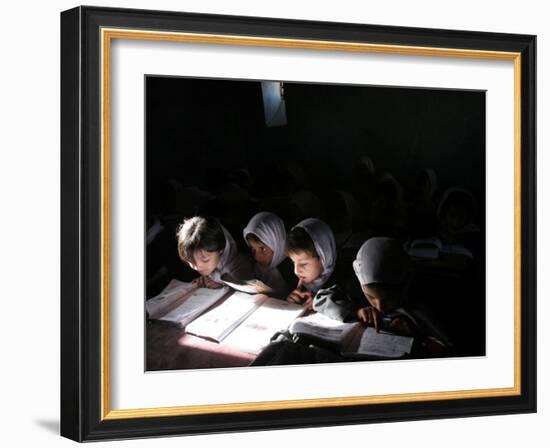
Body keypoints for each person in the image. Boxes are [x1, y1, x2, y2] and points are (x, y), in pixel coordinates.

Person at [353, 237, 451, 354]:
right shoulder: (354, 293)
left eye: (388, 298)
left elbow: (449, 349)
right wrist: (358, 312)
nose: (380, 307)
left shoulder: (427, 301)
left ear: (405, 285)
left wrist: (416, 336)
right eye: (371, 297)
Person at [176, 216, 252, 288]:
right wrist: (206, 278)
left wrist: (222, 283)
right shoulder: (205, 259)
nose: (198, 267)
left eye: (205, 260)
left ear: (220, 250)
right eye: (191, 261)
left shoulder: (242, 268)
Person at [285, 218, 337, 309]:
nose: (296, 271)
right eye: (293, 262)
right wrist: (291, 302)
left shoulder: (343, 285)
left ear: (324, 257)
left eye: (304, 264)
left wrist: (320, 303)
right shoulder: (292, 281)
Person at [243, 212, 289, 299]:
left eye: (262, 248)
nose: (257, 256)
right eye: (253, 249)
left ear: (276, 242)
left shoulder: (290, 272)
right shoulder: (258, 267)